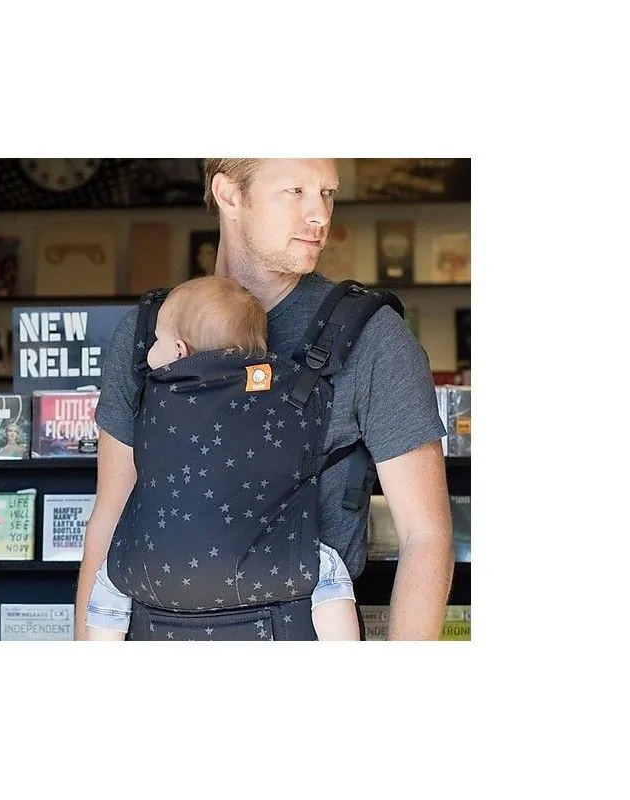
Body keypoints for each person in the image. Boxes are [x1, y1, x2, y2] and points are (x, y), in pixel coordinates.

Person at [75, 158, 454, 641]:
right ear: (229, 195)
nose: (320, 214)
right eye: (295, 191)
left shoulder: (373, 338)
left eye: (328, 192)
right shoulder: (146, 333)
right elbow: (109, 519)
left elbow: (426, 538)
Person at [84, 275, 361, 641]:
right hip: (269, 565)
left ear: (179, 351)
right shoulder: (281, 392)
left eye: (156, 341)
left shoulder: (154, 399)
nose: (150, 351)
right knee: (329, 571)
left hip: (156, 567)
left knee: (109, 583)